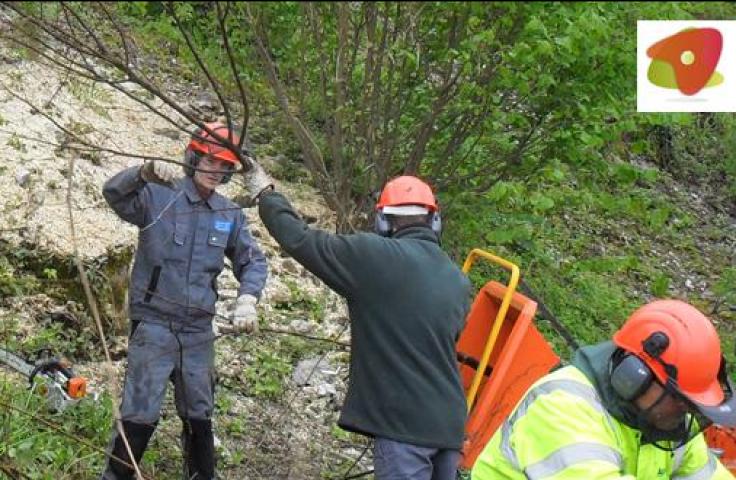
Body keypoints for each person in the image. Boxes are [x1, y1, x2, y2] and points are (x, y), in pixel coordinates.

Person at [244, 164, 473, 479]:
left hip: (404, 426)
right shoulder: (457, 280)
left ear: (382, 220)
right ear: (434, 221)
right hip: (449, 424)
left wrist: (266, 195)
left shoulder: (371, 255)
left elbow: (299, 239)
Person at [100, 123, 268, 480]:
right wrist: (141, 173)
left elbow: (252, 260)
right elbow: (114, 194)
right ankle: (116, 476)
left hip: (198, 332)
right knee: (139, 414)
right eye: (210, 161)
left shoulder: (229, 214)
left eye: (224, 166)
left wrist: (248, 299)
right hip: (154, 325)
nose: (216, 171)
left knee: (199, 414)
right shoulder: (159, 195)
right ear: (193, 157)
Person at [472, 299, 736, 479]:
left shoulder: (670, 424)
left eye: (691, 403)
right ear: (633, 377)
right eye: (679, 399)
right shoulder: (563, 407)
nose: (685, 410)